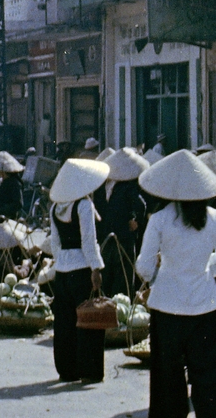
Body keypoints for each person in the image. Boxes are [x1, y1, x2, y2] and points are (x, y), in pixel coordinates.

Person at [136, 150, 216, 418]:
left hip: (167, 307)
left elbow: (143, 266)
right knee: (207, 373)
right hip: (207, 306)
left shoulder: (160, 219)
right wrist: (205, 268)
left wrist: (159, 272)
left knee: (170, 375)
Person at [47, 157, 109, 383]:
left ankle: (66, 369)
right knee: (88, 320)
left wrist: (59, 262)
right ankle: (89, 370)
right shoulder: (84, 205)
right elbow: (89, 242)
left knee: (64, 322)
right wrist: (96, 268)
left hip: (62, 270)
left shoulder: (56, 207)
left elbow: (55, 243)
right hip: (82, 269)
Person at [96, 149, 149, 296]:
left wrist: (136, 220)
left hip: (123, 238)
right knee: (106, 276)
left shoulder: (127, 185)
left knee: (123, 279)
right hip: (106, 238)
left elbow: (141, 205)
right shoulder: (100, 187)